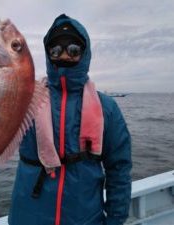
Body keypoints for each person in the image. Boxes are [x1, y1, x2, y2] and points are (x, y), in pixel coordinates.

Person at [8, 14, 132, 225]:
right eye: (55, 50)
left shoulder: (107, 107)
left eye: (73, 49)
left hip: (85, 219)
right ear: (47, 54)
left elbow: (119, 169)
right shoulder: (25, 99)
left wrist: (115, 220)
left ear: (85, 53)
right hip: (27, 217)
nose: (64, 55)